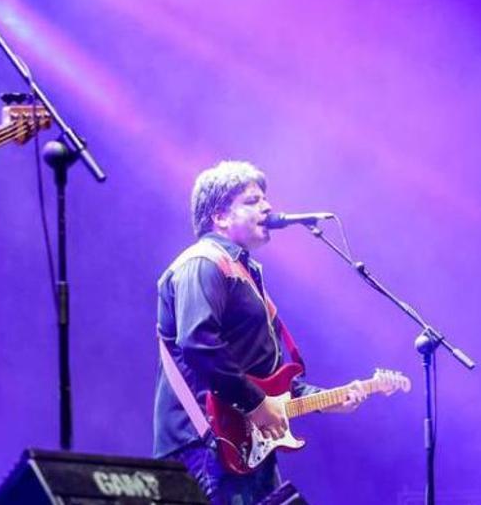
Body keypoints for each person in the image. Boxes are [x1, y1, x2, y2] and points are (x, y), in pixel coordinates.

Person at [153, 161, 370, 505]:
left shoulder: (245, 271)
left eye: (265, 198)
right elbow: (199, 344)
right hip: (206, 443)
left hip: (245, 443)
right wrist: (255, 403)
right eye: (252, 201)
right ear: (221, 217)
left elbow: (266, 376)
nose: (268, 207)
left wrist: (327, 399)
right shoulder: (203, 262)